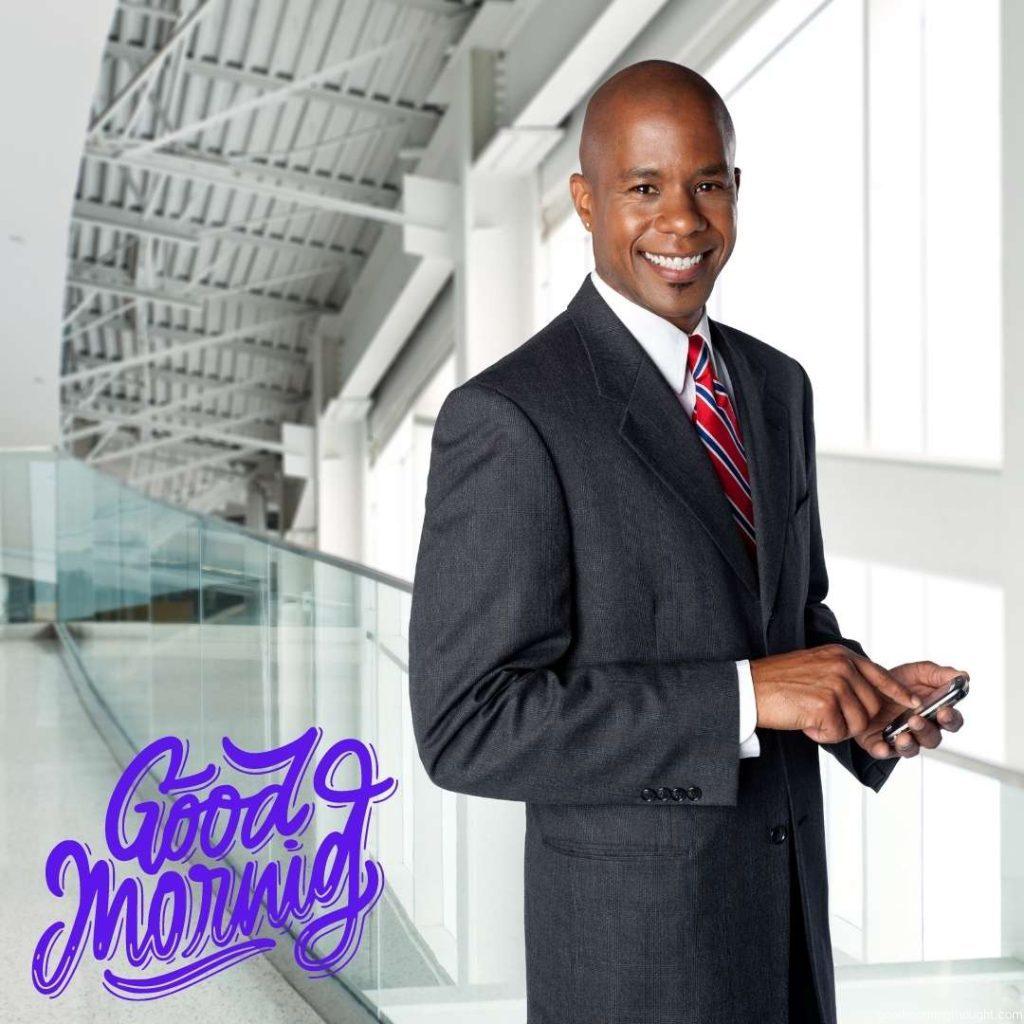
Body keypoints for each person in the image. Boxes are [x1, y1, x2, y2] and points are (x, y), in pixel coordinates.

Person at [408, 59, 967, 1024]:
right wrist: (749, 697)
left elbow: (789, 614)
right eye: (643, 188)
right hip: (637, 965)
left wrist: (861, 695)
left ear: (737, 193)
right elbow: (469, 726)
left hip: (788, 934)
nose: (683, 221)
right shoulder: (508, 416)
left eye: (707, 183)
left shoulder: (777, 387)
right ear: (584, 201)